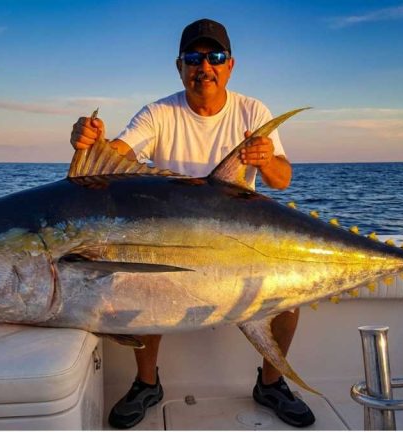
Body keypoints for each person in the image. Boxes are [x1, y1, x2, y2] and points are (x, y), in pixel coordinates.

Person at [70, 18, 315, 429]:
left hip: (241, 238)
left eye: (215, 57)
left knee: (287, 299)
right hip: (169, 235)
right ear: (179, 65)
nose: (205, 66)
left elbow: (282, 179)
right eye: (194, 57)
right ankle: (147, 383)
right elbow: (116, 154)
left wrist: (266, 158)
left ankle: (270, 384)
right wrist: (88, 144)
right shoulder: (158, 112)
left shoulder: (252, 110)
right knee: (139, 281)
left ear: (230, 65)